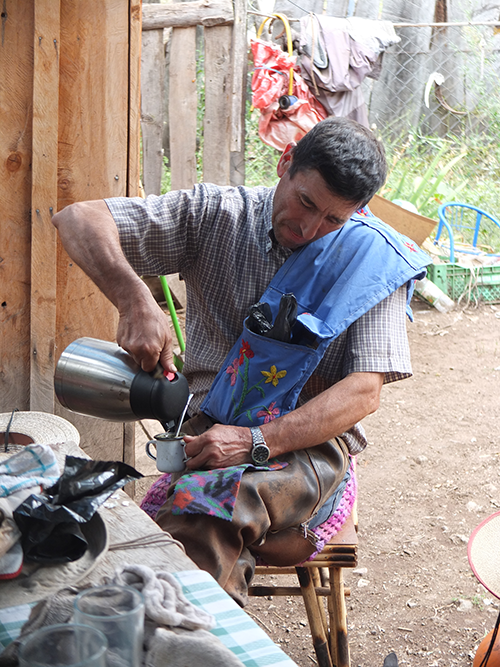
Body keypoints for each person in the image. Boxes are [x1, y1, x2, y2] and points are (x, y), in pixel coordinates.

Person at [52, 117, 429, 606]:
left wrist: (253, 442)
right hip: (206, 427)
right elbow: (77, 219)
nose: (310, 229)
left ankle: (167, 626)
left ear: (359, 213)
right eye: (306, 202)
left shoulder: (372, 261)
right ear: (285, 162)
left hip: (306, 446)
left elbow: (364, 391)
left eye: (334, 220)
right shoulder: (215, 216)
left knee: (213, 507)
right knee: (198, 515)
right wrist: (133, 298)